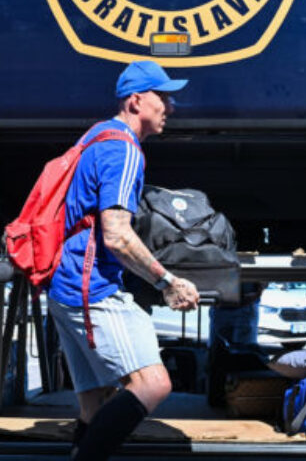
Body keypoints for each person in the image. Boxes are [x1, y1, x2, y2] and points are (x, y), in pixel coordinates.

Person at [47, 60, 200, 461]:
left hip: (66, 285)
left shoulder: (97, 136)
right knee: (153, 384)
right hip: (90, 287)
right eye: (162, 97)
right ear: (136, 101)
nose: (170, 105)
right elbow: (116, 236)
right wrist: (168, 281)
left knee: (94, 405)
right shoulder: (124, 149)